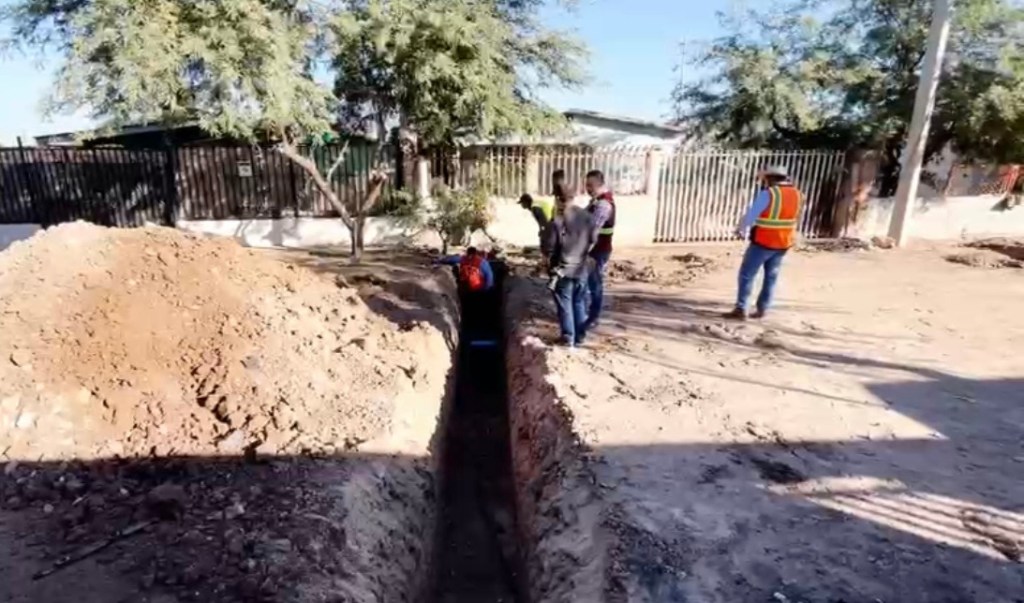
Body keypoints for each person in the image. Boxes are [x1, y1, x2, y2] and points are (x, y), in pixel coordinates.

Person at [725, 165, 803, 320]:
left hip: (764, 240)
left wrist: (740, 229)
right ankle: (763, 309)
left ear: (770, 178)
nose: (763, 182)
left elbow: (752, 214)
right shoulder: (797, 194)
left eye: (765, 179)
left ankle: (741, 309)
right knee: (771, 275)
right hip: (784, 241)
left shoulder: (769, 193)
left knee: (747, 274)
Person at [542, 204, 596, 347]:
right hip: (581, 268)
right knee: (579, 302)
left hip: (563, 270)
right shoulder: (587, 217)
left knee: (565, 304)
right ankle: (580, 337)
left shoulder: (557, 222)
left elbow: (548, 249)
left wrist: (548, 263)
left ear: (559, 199)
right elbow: (593, 240)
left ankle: (568, 338)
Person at [435, 247, 496, 339]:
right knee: (481, 310)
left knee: (468, 309)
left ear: (467, 253)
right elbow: (489, 277)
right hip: (479, 290)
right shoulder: (482, 262)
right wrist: (487, 290)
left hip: (467, 290)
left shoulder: (464, 259)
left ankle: (468, 327)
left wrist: (438, 261)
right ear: (476, 253)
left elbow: (451, 260)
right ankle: (481, 326)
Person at [582, 169, 615, 331]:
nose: (588, 188)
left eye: (590, 185)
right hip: (595, 250)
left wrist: (583, 252)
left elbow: (592, 232)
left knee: (594, 285)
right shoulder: (596, 201)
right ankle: (587, 315)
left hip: (597, 251)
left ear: (600, 184)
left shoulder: (603, 205)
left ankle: (593, 317)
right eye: (586, 185)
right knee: (589, 283)